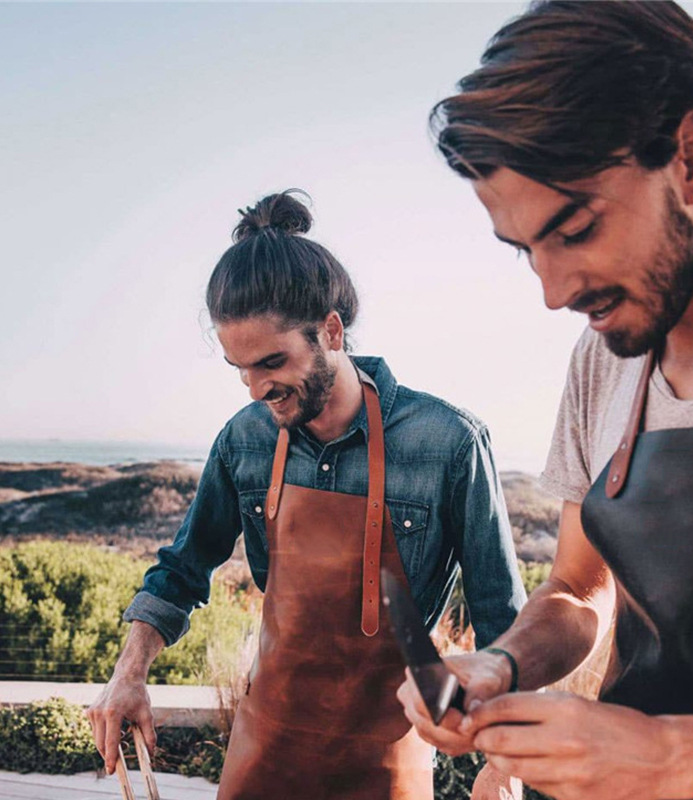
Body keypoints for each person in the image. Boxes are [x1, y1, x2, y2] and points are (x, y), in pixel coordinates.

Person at [397, 2, 693, 798]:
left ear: (691, 157)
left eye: (574, 230)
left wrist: (674, 760)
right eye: (527, 252)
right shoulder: (603, 358)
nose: (553, 293)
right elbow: (580, 589)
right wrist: (499, 664)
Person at [86, 190, 526, 799]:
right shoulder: (243, 440)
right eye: (241, 370)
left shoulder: (448, 443)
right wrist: (127, 672)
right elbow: (183, 569)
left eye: (272, 363)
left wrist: (506, 758)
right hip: (266, 746)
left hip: (389, 754)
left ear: (332, 331)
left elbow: (502, 616)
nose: (255, 391)